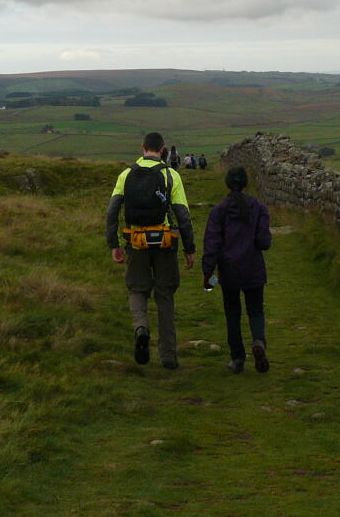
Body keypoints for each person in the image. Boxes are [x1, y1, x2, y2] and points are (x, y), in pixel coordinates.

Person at [106, 132, 196, 369]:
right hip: (165, 242)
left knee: (137, 289)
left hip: (136, 242)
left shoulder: (126, 175)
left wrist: (114, 244)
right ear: (163, 149)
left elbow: (112, 213)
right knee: (165, 294)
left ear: (143, 147)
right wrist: (189, 248)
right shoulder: (171, 175)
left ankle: (141, 329)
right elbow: (183, 216)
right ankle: (168, 356)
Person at [201, 166, 273, 373]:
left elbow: (212, 244)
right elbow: (264, 242)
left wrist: (208, 271)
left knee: (232, 313)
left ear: (227, 183)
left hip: (229, 271)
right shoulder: (258, 208)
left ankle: (237, 358)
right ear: (246, 183)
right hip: (253, 268)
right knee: (256, 310)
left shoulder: (219, 211)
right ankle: (259, 342)